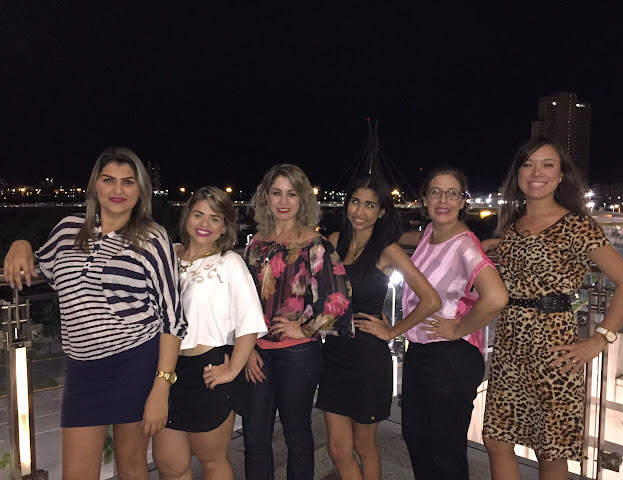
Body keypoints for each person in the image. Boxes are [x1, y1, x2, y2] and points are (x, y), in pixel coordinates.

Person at [3, 146, 186, 480]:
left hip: (135, 362)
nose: (118, 190)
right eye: (108, 179)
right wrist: (20, 244)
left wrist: (161, 387)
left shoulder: (152, 238)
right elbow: (35, 267)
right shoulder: (68, 230)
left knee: (131, 468)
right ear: (95, 186)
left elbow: (172, 317)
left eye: (128, 181)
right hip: (82, 370)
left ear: (140, 190)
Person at [481, 137, 623, 480]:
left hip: (553, 346)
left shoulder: (576, 225)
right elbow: (523, 261)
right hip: (509, 343)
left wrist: (600, 338)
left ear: (560, 175)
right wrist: (495, 244)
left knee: (550, 450)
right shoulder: (513, 224)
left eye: (547, 164)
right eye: (528, 164)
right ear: (518, 174)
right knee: (496, 438)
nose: (536, 172)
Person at [316, 175, 442, 480]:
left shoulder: (387, 249)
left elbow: (431, 300)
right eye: (355, 202)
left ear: (382, 211)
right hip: (334, 354)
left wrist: (392, 331)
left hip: (367, 358)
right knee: (337, 449)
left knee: (364, 445)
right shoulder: (334, 241)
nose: (360, 211)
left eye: (370, 205)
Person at [243, 164, 354, 480]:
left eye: (291, 194)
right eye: (276, 192)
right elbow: (243, 302)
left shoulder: (314, 244)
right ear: (266, 196)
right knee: (254, 437)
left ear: (302, 198)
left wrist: (303, 328)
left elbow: (339, 299)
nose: (283, 201)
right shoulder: (256, 243)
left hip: (298, 354)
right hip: (257, 352)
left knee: (296, 434)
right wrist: (246, 347)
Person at [398, 167, 508, 480]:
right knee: (417, 440)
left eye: (452, 193)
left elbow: (496, 297)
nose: (443, 199)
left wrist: (457, 328)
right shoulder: (430, 235)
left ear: (462, 201)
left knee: (445, 455)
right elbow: (415, 241)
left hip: (451, 357)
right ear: (424, 199)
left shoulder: (464, 246)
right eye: (435, 192)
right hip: (422, 352)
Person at [151, 186, 267, 480]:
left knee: (212, 461)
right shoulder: (167, 256)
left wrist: (232, 369)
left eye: (214, 218)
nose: (204, 224)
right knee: (170, 465)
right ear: (186, 217)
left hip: (207, 373)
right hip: (165, 371)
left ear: (224, 226)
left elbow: (249, 322)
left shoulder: (229, 263)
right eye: (198, 214)